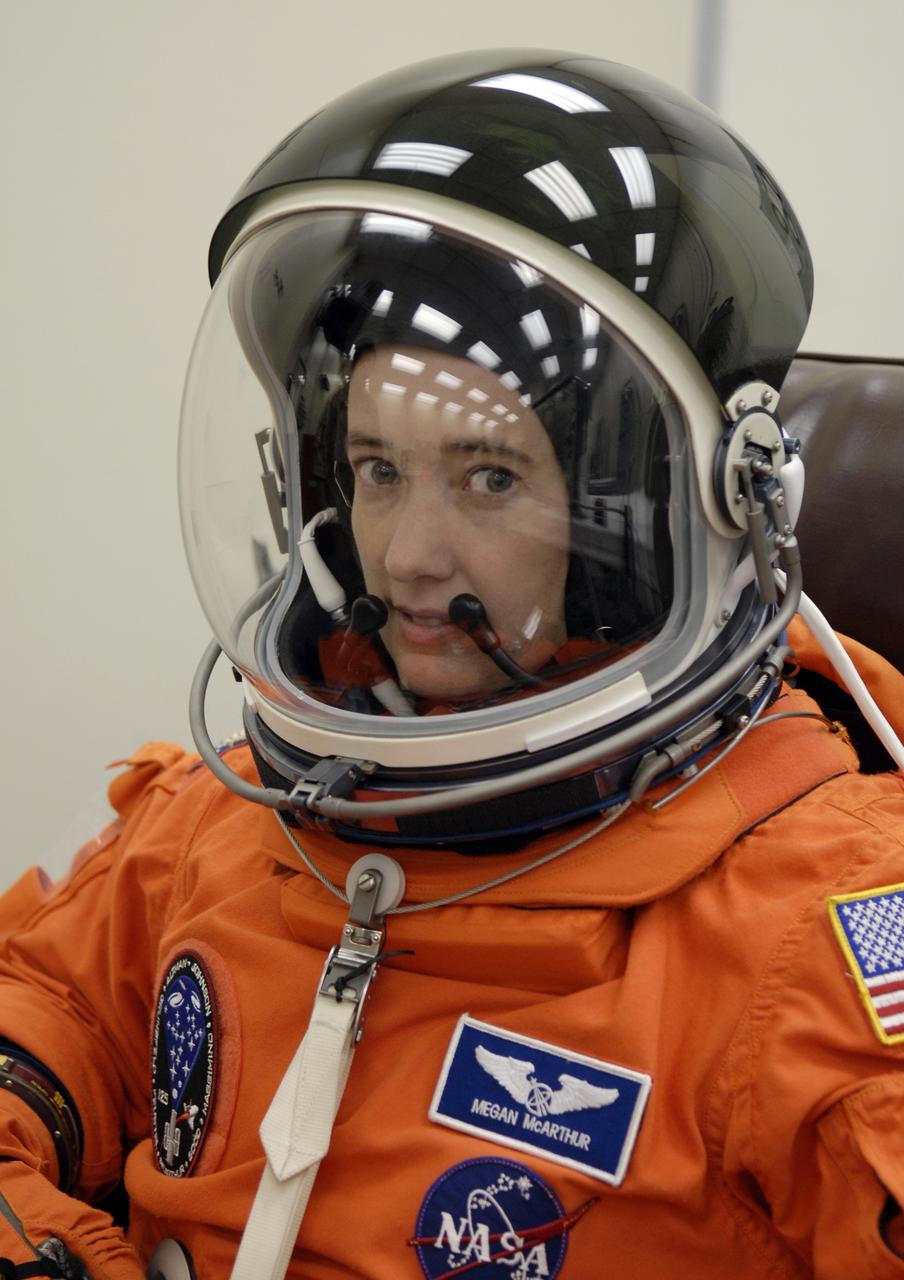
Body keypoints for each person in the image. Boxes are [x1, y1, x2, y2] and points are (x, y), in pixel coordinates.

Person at [1, 48, 903, 1280]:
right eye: (377, 470)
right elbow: (34, 1009)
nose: (413, 555)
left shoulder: (808, 932)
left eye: (490, 477)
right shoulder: (221, 820)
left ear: (635, 512)